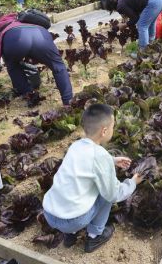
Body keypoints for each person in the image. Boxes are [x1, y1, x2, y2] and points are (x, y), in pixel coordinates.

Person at [43, 104, 142, 252]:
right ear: (104, 131)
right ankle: (95, 236)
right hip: (73, 220)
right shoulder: (100, 156)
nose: (113, 130)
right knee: (106, 194)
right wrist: (132, 182)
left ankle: (70, 235)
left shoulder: (75, 146)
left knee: (75, 184)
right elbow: (114, 194)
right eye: (112, 127)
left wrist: (112, 160)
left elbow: (87, 162)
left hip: (50, 214)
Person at [0, 13, 73, 104]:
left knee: (13, 65)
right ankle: (68, 101)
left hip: (16, 38)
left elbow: (0, 47)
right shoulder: (24, 18)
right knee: (58, 66)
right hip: (40, 34)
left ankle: (29, 95)